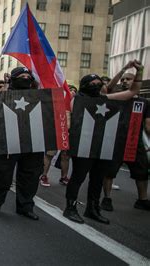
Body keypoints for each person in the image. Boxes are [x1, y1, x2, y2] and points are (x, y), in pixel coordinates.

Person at [63, 60, 144, 225]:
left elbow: (133, 91)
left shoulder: (106, 98)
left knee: (98, 179)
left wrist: (139, 71)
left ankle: (92, 209)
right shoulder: (76, 100)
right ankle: (70, 208)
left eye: (99, 83)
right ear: (84, 86)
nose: (97, 85)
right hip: (83, 147)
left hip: (103, 146)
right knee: (78, 177)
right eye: (92, 83)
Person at [0, 67, 43, 221]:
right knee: (2, 174)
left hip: (32, 141)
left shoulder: (38, 97)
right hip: (7, 141)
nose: (25, 78)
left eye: (27, 76)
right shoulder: (4, 96)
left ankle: (25, 206)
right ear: (13, 79)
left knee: (30, 175)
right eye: (21, 76)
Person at [100, 67, 150, 212]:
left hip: (134, 142)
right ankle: (107, 198)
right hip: (114, 141)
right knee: (109, 171)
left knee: (142, 172)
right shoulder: (116, 98)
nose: (124, 81)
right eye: (123, 79)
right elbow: (107, 89)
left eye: (128, 79)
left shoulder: (144, 102)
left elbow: (147, 126)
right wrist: (123, 69)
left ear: (136, 82)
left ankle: (142, 199)